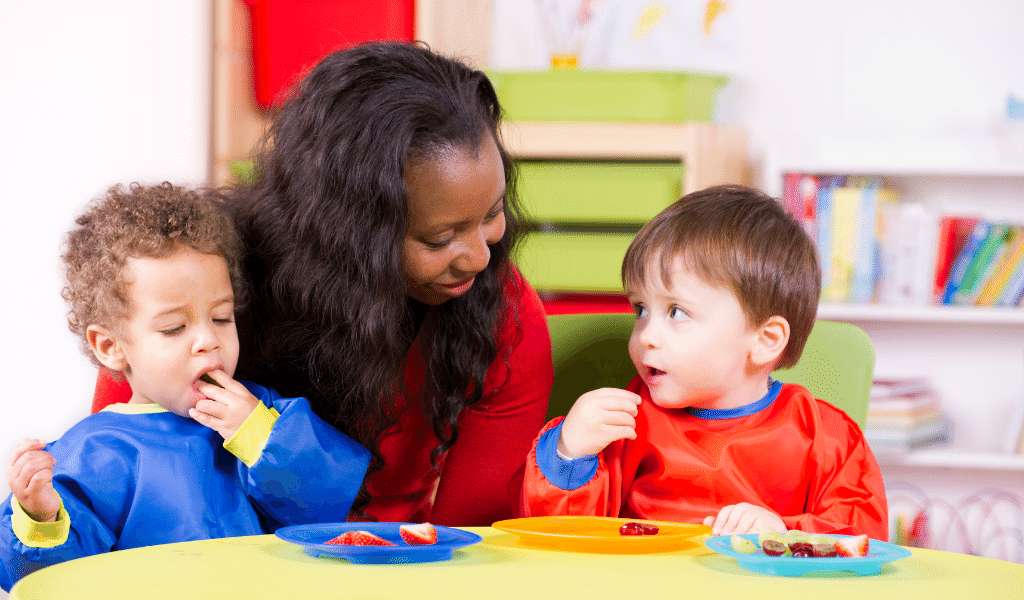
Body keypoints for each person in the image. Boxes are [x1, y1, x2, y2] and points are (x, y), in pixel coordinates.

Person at [92, 41, 554, 526]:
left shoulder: (502, 313)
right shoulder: (194, 286)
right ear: (347, 233)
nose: (481, 256)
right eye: (439, 239)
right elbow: (114, 481)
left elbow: (472, 533)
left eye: (493, 213)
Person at [1, 183, 371, 591]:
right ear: (110, 347)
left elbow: (322, 506)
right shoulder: (95, 451)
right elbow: (47, 581)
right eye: (174, 327)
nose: (207, 340)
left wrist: (261, 437)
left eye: (222, 317)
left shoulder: (259, 413)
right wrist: (40, 519)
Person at [518, 184, 889, 540]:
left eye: (676, 312)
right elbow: (560, 537)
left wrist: (783, 532)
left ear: (765, 340)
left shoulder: (823, 435)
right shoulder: (627, 419)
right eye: (641, 309)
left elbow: (860, 536)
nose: (646, 334)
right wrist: (569, 453)